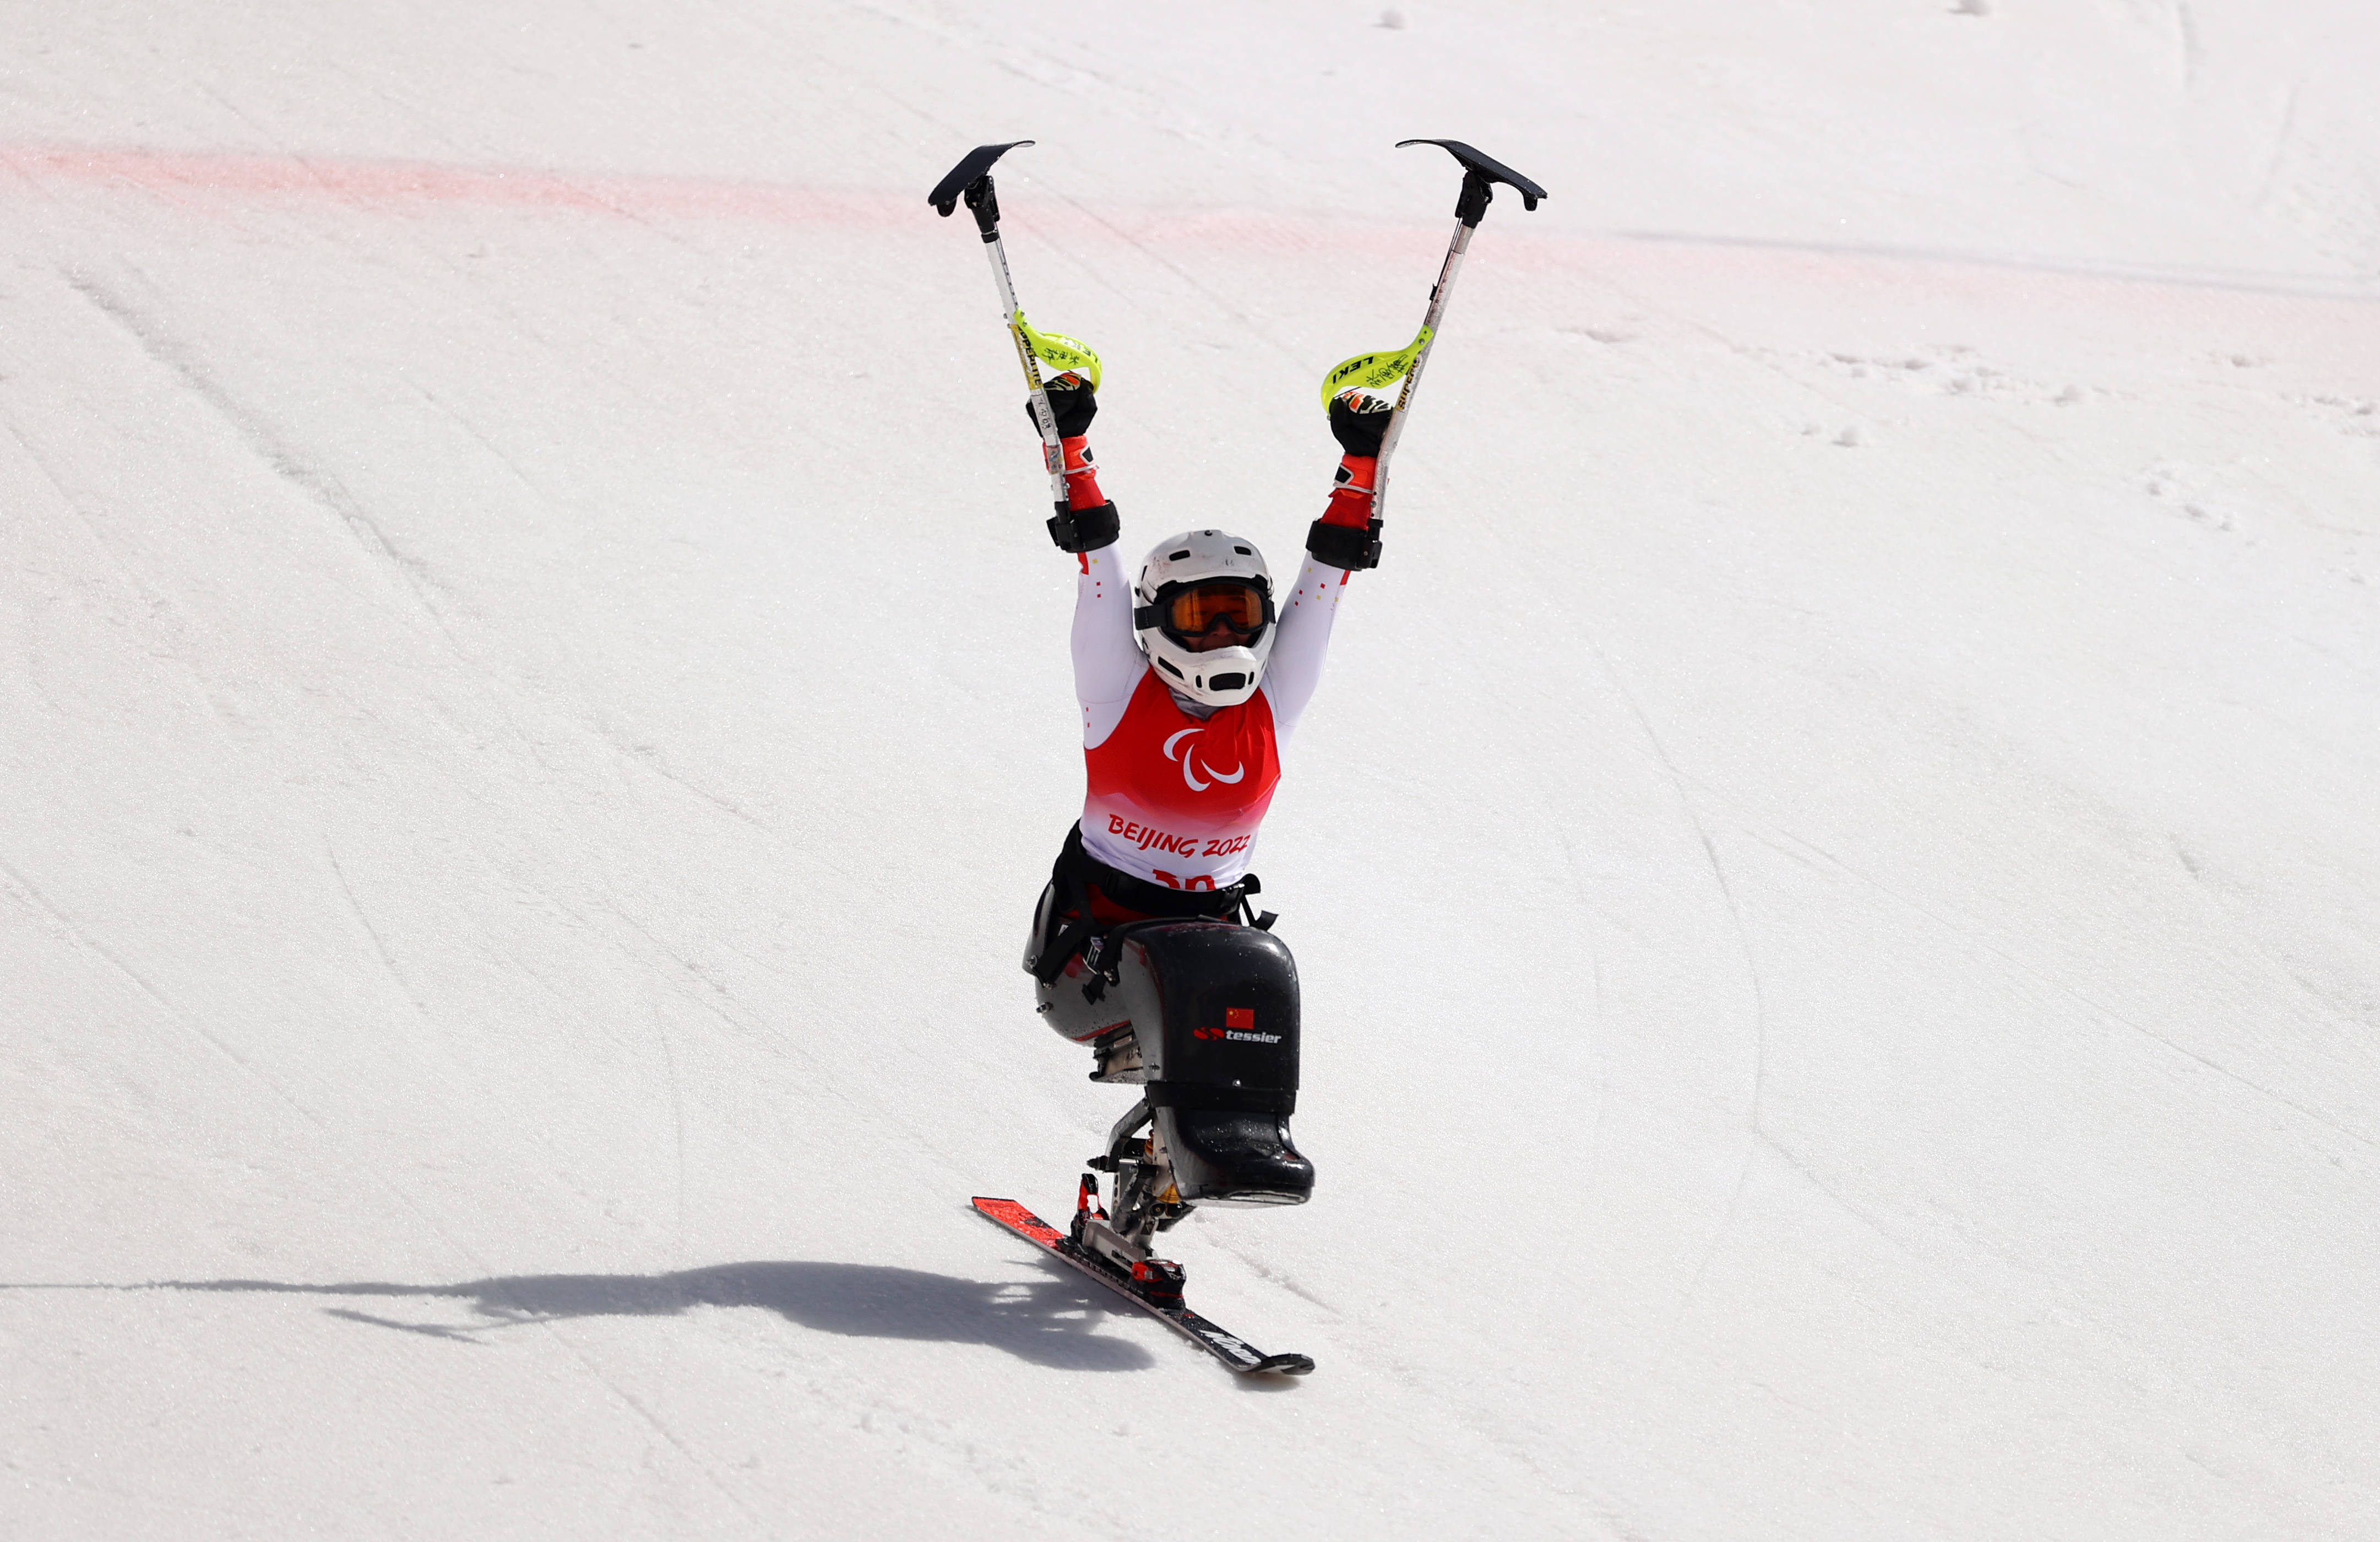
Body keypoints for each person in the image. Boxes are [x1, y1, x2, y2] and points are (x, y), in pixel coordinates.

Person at [1020, 371, 1389, 1026]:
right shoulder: (1117, 688)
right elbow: (1094, 554)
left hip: (1210, 948)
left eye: (1238, 614)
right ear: (1154, 622)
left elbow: (1328, 575)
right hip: (1091, 958)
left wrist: (1361, 462)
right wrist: (1069, 443)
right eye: (1199, 615)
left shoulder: (1273, 700)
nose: (1222, 634)